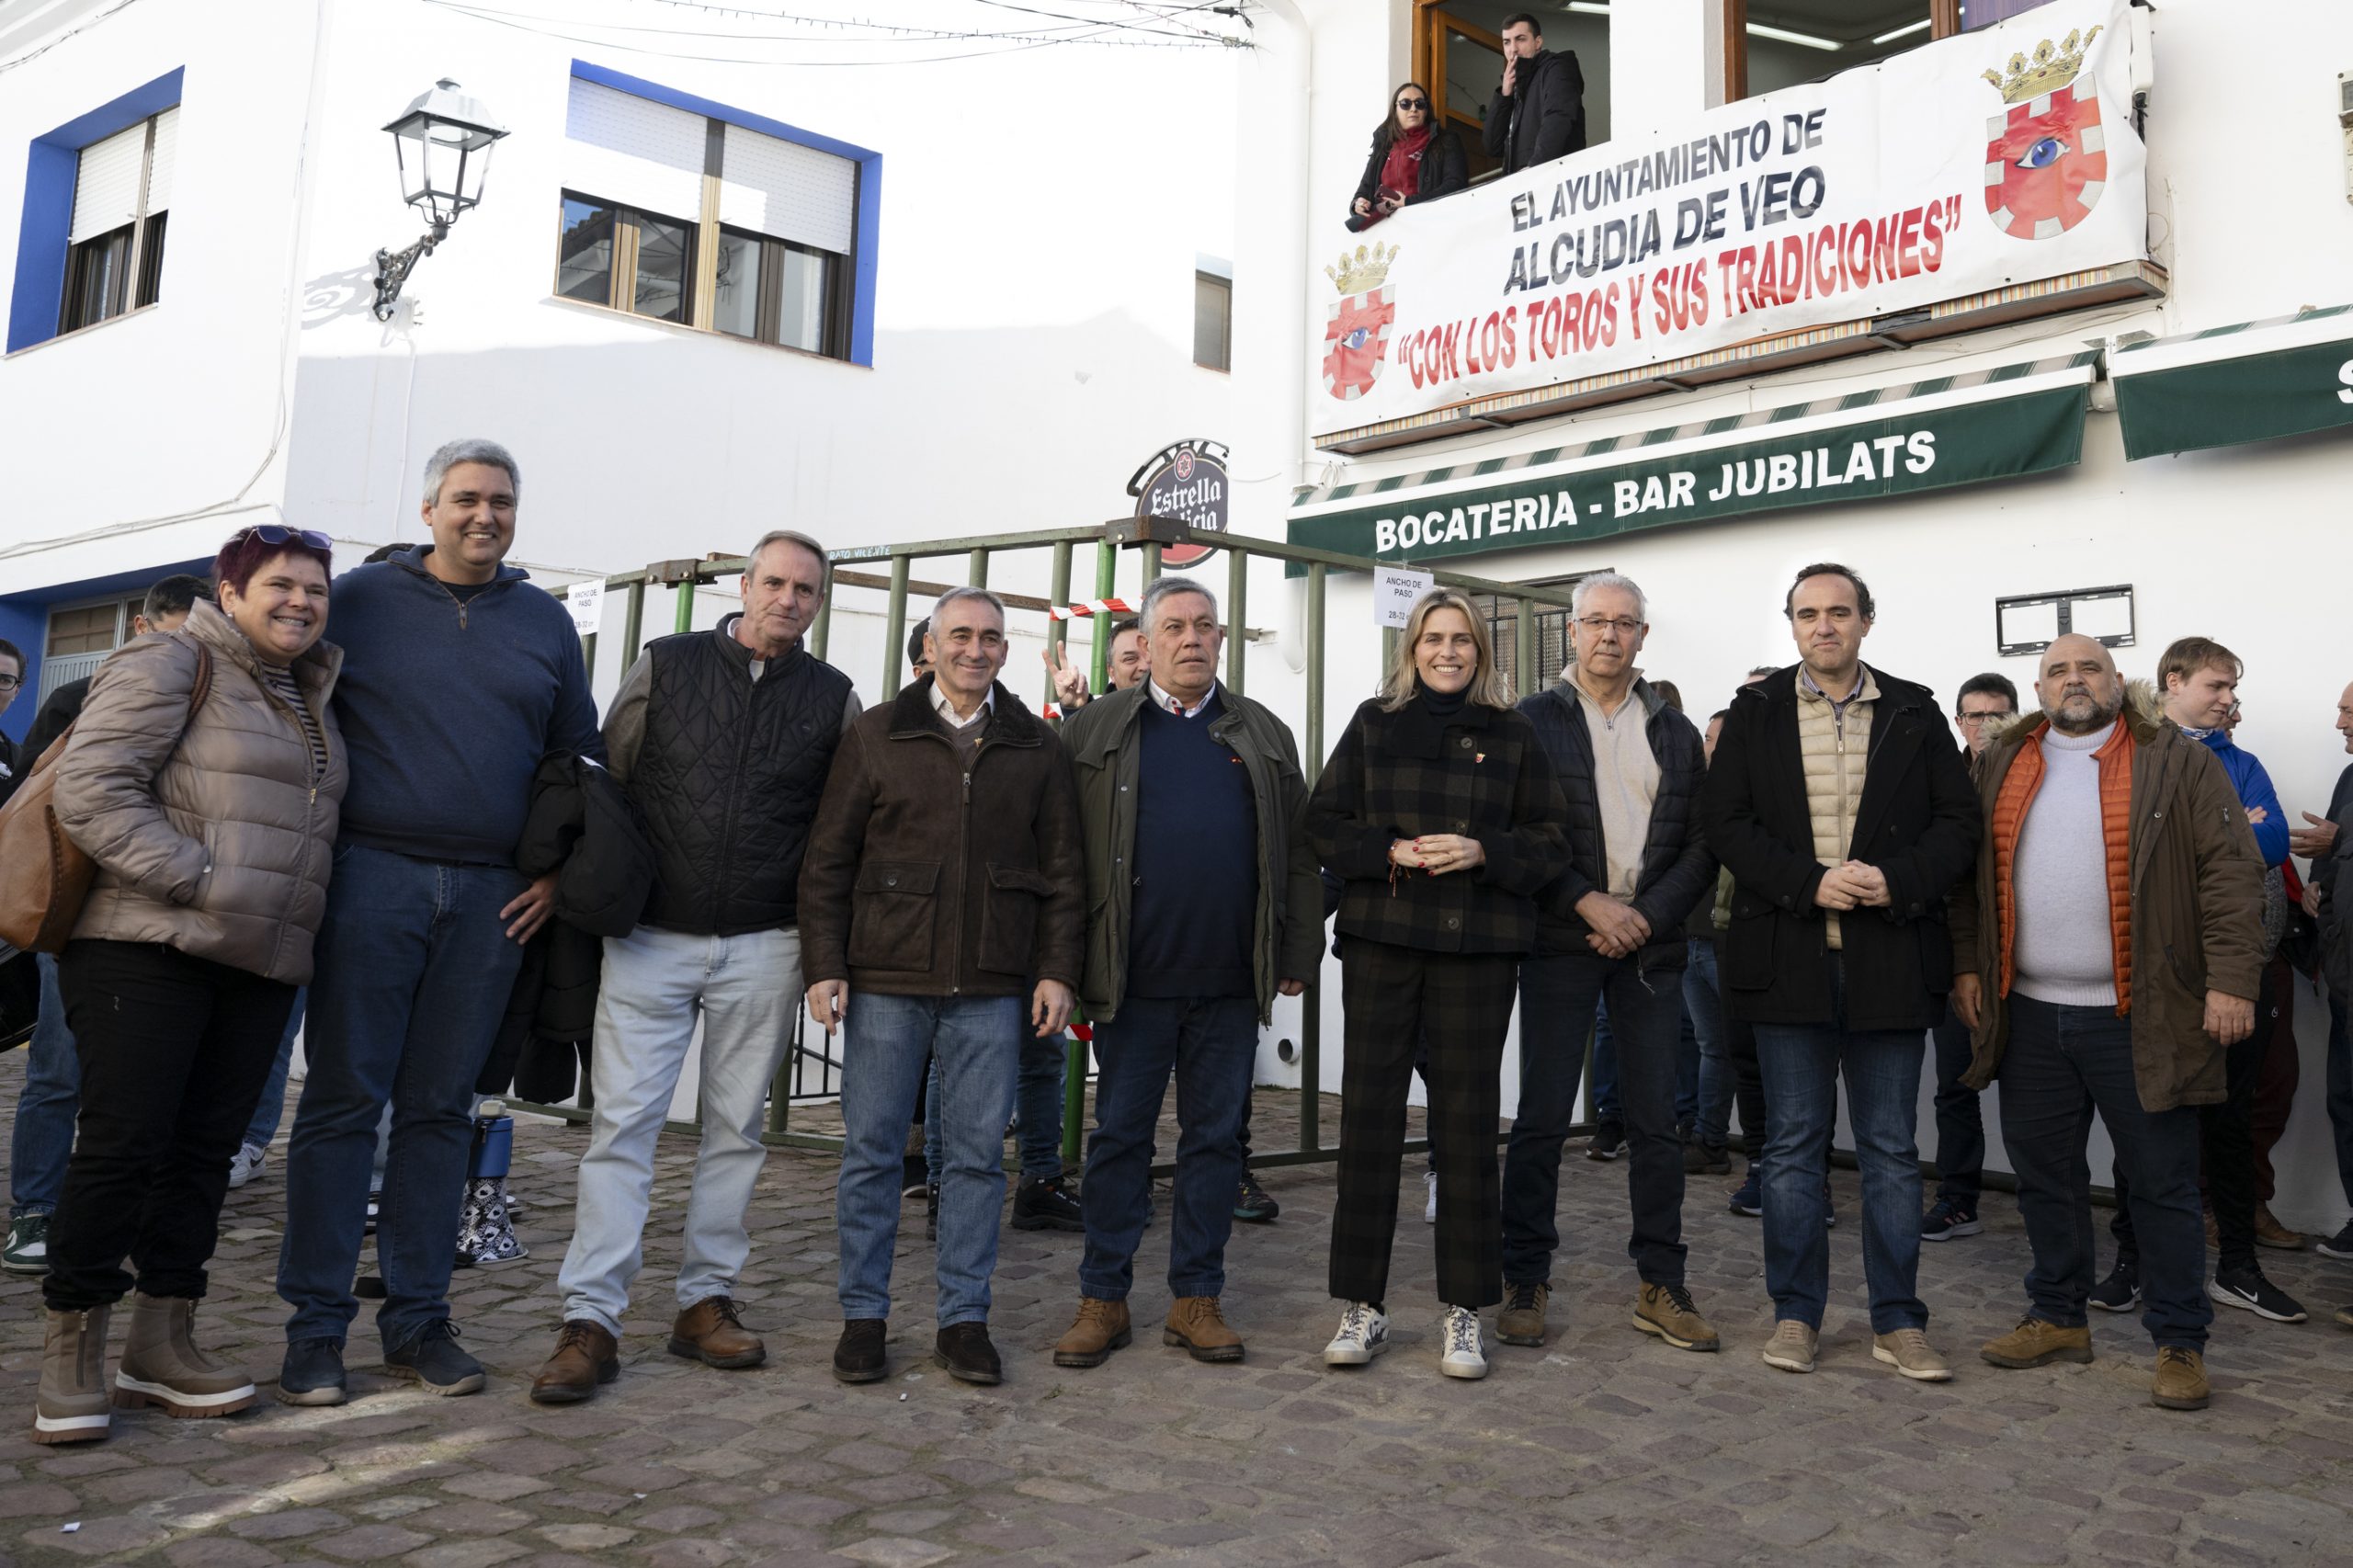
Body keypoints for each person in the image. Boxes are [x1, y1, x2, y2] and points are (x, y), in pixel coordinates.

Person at [276, 439, 604, 1406]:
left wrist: (557, 873)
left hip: (493, 900)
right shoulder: (360, 601)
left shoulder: (545, 621)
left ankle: (418, 1321)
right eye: (466, 499)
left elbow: (577, 757)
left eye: (501, 500)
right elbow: (287, 702)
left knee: (440, 1112)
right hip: (370, 879)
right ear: (428, 510)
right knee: (343, 1104)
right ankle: (314, 1329)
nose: (484, 515)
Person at [33, 525, 345, 1444]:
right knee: (123, 1144)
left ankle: (161, 1341)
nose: (301, 602)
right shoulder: (172, 659)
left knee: (203, 1154)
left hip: (254, 960)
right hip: (146, 944)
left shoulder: (308, 689)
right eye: (281, 584)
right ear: (231, 591)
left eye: (316, 590)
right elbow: (90, 789)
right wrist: (199, 877)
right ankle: (72, 1347)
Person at [529, 531, 857, 1404]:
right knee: (623, 1129)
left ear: (819, 602)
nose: (788, 600)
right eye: (775, 583)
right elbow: (610, 781)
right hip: (651, 936)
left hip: (766, 941)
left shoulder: (833, 697)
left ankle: (704, 1302)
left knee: (737, 1133)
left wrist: (822, 948)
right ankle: (591, 1318)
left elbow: (838, 829)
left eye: (806, 590)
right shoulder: (666, 665)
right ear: (744, 586)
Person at [1953, 635, 2264, 1412]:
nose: (2074, 680)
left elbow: (2232, 873)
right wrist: (1967, 966)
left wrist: (2231, 981)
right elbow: (1969, 879)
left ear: (2118, 680)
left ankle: (2180, 1340)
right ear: (2038, 688)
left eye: (2089, 667)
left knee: (2161, 1184)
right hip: (2028, 1013)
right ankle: (2058, 1315)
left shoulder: (2175, 759)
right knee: (2045, 1178)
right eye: (2058, 670)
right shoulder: (2001, 760)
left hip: (2143, 1015)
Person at [1699, 562, 1978, 1381]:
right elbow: (1725, 823)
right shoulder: (1754, 711)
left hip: (1891, 957)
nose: (1824, 626)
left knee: (1890, 1148)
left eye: (1840, 612)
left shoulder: (1914, 710)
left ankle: (1899, 1322)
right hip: (1788, 958)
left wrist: (1895, 880)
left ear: (1866, 621)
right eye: (1808, 613)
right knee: (1791, 1147)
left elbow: (1958, 825)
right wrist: (1807, 882)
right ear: (1791, 624)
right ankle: (1797, 1315)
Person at [801, 586, 1084, 1388]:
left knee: (975, 1160)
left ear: (1005, 651)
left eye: (990, 637)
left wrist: (1057, 969)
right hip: (886, 978)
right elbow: (828, 859)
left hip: (992, 985)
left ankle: (964, 1319)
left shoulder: (1035, 744)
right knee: (871, 1153)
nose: (975, 649)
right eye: (959, 635)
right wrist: (825, 964)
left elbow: (1064, 871)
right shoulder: (876, 733)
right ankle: (864, 1316)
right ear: (929, 646)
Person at [1051, 576, 1321, 1369]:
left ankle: (1196, 1300)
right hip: (1131, 979)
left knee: (1213, 1143)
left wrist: (1297, 952)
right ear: (1145, 641)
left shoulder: (1264, 732)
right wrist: (1059, 961)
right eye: (1174, 626)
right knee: (1119, 1140)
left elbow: (1302, 853)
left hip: (1230, 981)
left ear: (1222, 639)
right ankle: (1102, 1298)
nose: (1192, 638)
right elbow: (1059, 853)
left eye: (1205, 625)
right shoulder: (1095, 729)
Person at [1308, 588, 1566, 1381]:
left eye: (1461, 639)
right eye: (1432, 638)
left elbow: (1552, 839)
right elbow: (1322, 825)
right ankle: (1364, 1304)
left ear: (1480, 651)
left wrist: (1485, 851)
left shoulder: (1514, 733)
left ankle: (1464, 1310)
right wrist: (1389, 849)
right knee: (1369, 1124)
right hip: (1383, 943)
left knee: (1466, 1130)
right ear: (1412, 648)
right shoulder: (1372, 722)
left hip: (1477, 950)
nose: (1447, 652)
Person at [1498, 574, 1717, 1354]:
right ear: (1572, 630)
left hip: (1650, 947)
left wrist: (1643, 917)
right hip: (1562, 941)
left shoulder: (1676, 731)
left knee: (1656, 1122)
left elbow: (1701, 844)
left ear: (1642, 636)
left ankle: (1661, 1283)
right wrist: (1587, 902)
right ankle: (1525, 1276)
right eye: (1595, 621)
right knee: (1542, 1117)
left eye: (1624, 623)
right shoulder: (1531, 721)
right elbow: (1515, 836)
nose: (1609, 636)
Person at [4, 574, 210, 1276]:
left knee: (148, 1080)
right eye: (180, 635)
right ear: (145, 628)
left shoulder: (215, 705)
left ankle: (124, 1208)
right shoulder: (81, 696)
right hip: (82, 911)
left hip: (170, 916)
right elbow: (37, 801)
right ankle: (34, 1209)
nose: (190, 652)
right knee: (59, 1067)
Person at [2095, 639, 2303, 1324]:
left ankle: (2238, 1268)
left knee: (2231, 1124)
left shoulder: (2242, 763)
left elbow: (2271, 845)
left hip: (2238, 971)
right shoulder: (2132, 752)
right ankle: (2131, 1264)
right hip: (2155, 976)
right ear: (2173, 681)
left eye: (2231, 689)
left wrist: (2218, 836)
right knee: (2144, 1122)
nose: (2228, 700)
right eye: (2217, 686)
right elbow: (2130, 850)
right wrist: (2229, 828)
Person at [1923, 671, 2018, 1244]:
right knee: (1956, 1083)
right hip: (1954, 954)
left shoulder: (2035, 773)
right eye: (1974, 715)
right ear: (1959, 722)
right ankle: (1958, 1199)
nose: (1985, 725)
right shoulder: (1939, 778)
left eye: (1997, 714)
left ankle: (2047, 1200)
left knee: (2034, 1092)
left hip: (2021, 957)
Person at [2297, 679, 2353, 1261]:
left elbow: (2342, 839)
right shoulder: (2349, 776)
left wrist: (2345, 840)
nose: (2340, 723)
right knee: (2345, 1098)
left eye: (2349, 712)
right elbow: (2329, 849)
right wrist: (2316, 886)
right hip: (2344, 975)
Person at [1683, 710, 1736, 1177]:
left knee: (1753, 1051)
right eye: (1707, 737)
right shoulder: (1694, 795)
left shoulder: (1746, 799)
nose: (1711, 747)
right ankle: (1710, 1141)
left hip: (1730, 944)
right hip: (1692, 940)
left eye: (1720, 738)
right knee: (1712, 1048)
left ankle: (1765, 1157)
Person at [1347, 81, 1467, 232]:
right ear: (1395, 109)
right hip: (1384, 229)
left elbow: (1456, 184)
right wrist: (1359, 204)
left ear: (1426, 110)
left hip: (1426, 225)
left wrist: (1409, 201)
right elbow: (1364, 190)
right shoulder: (1383, 145)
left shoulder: (1445, 140)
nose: (1413, 109)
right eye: (1405, 104)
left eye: (1419, 103)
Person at [1483, 12, 1585, 176]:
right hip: (1523, 185)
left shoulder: (1557, 68)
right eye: (1507, 42)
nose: (1513, 49)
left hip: (1553, 181)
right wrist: (1505, 94)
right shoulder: (1515, 86)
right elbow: (1492, 147)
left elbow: (1558, 118)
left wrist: (1535, 168)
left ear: (1538, 42)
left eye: (1520, 39)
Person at [1041, 617, 1147, 712]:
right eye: (1130, 659)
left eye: (1151, 655)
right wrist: (1075, 710)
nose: (1145, 666)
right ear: (1111, 672)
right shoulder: (1098, 719)